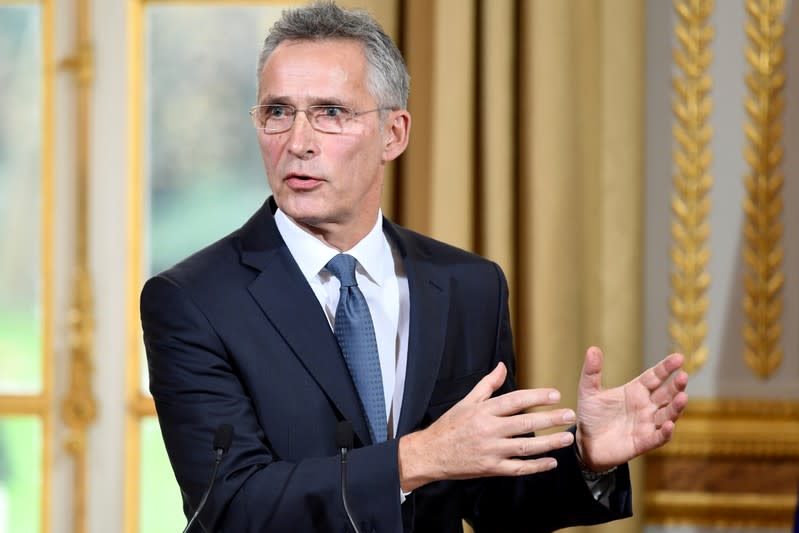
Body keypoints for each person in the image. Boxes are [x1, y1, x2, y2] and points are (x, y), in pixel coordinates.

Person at [140, 2, 689, 532]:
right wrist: (419, 456)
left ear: (394, 134)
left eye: (330, 113)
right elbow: (233, 509)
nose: (298, 143)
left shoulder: (469, 286)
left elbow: (490, 497)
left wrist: (589, 458)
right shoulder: (194, 300)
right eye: (278, 112)